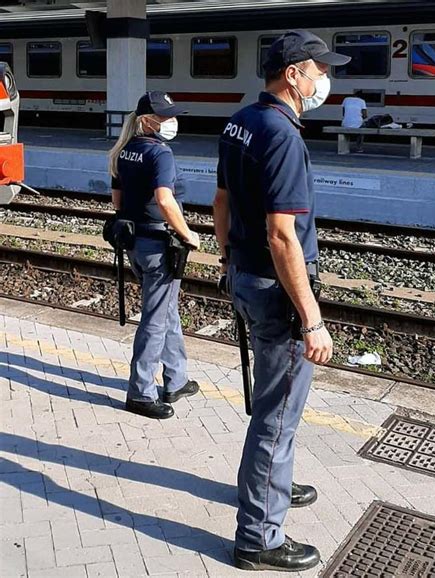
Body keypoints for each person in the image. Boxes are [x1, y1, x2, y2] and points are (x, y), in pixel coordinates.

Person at [213, 30, 350, 572]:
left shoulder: (240, 121)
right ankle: (258, 536)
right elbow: (282, 235)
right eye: (319, 69)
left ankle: (275, 484)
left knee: (272, 405)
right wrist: (312, 319)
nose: (324, 80)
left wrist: (227, 263)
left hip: (245, 277)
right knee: (276, 415)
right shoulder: (283, 136)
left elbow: (221, 200)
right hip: (277, 292)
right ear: (294, 74)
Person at [109, 91, 200, 420]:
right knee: (154, 321)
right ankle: (141, 391)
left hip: (134, 244)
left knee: (166, 312)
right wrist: (188, 234)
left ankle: (176, 379)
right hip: (159, 246)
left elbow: (117, 200)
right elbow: (165, 200)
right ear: (147, 121)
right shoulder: (160, 154)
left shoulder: (125, 150)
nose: (170, 122)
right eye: (164, 117)